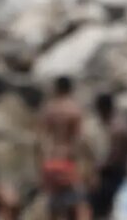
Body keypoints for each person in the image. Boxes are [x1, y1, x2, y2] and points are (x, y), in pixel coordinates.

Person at [36, 76, 92, 220]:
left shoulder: (49, 109)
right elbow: (80, 140)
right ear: (70, 89)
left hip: (51, 162)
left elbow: (40, 140)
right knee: (77, 208)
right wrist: (90, 166)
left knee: (54, 210)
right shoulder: (74, 110)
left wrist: (41, 166)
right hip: (68, 161)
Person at [89, 93, 127, 219]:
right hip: (117, 171)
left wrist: (98, 168)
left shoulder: (117, 129)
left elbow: (116, 157)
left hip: (115, 173)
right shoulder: (118, 124)